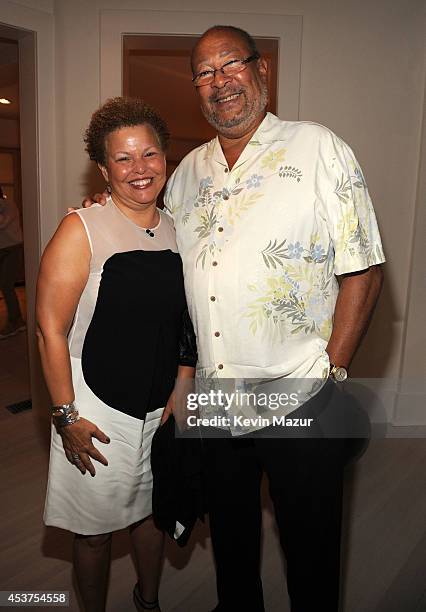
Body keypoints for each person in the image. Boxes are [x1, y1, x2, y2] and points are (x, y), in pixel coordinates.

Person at [85, 26, 385, 611]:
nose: (218, 81)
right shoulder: (187, 173)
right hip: (217, 400)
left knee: (312, 551)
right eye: (203, 72)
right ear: (194, 88)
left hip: (301, 391)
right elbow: (154, 239)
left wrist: (334, 374)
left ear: (262, 70)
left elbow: (363, 268)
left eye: (230, 65)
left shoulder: (318, 147)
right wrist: (109, 206)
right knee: (232, 547)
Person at [36, 97, 196, 612]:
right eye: (123, 159)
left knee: (151, 516)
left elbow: (182, 323)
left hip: (158, 406)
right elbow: (49, 328)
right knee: (95, 533)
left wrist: (180, 387)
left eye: (149, 154)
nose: (139, 169)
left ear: (165, 158)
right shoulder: (80, 228)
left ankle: (147, 601)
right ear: (104, 168)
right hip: (95, 409)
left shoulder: (177, 229)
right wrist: (66, 417)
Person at [0, 185, 26, 339]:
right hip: (3, 250)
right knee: (4, 285)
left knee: (6, 285)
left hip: (13, 249)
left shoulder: (7, 205)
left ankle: (16, 321)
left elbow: (2, 223)